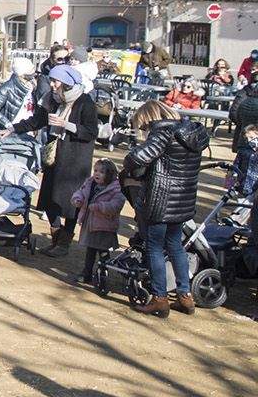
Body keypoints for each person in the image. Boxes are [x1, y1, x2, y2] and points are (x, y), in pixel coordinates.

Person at [123, 99, 210, 317]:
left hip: (160, 200)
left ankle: (160, 298)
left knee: (155, 248)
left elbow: (137, 158)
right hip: (183, 200)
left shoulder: (162, 133)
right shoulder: (193, 133)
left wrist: (130, 163)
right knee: (176, 246)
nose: (143, 131)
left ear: (149, 118)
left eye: (143, 126)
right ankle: (185, 296)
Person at [9, 64, 99, 256]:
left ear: (66, 82)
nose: (51, 84)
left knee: (71, 201)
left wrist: (67, 125)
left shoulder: (85, 102)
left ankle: (64, 243)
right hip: (54, 155)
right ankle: (56, 237)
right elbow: (36, 121)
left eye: (55, 81)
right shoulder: (51, 100)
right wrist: (12, 129)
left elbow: (91, 132)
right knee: (50, 197)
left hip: (76, 158)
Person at [71, 158, 126, 286]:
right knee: (90, 251)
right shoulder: (90, 183)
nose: (97, 174)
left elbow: (116, 205)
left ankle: (103, 274)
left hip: (104, 225)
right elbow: (81, 192)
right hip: (90, 224)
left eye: (101, 172)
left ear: (110, 174)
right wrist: (77, 199)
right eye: (95, 170)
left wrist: (99, 207)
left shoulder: (116, 188)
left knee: (103, 252)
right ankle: (87, 273)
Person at [0, 57, 37, 133]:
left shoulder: (32, 86)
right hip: (8, 132)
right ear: (22, 74)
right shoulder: (6, 88)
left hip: (26, 128)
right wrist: (8, 125)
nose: (33, 73)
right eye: (30, 71)